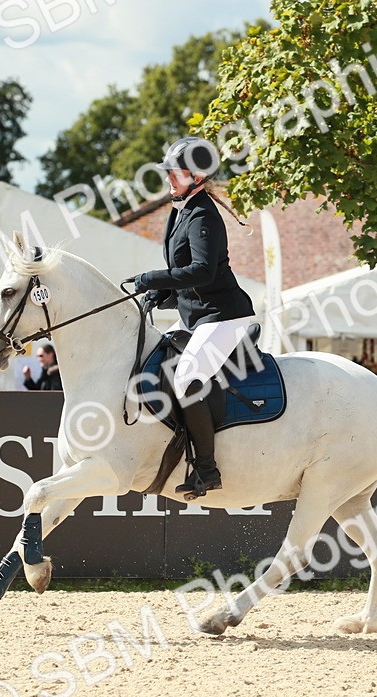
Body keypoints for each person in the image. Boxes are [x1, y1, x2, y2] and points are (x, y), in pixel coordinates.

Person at [128, 136, 256, 499]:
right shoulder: (179, 211)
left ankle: (206, 468)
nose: (169, 177)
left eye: (176, 172)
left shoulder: (203, 215)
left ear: (197, 177)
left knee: (185, 378)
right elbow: (182, 274)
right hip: (195, 317)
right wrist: (161, 295)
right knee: (152, 359)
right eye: (168, 171)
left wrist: (151, 277)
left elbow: (202, 272)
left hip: (222, 318)